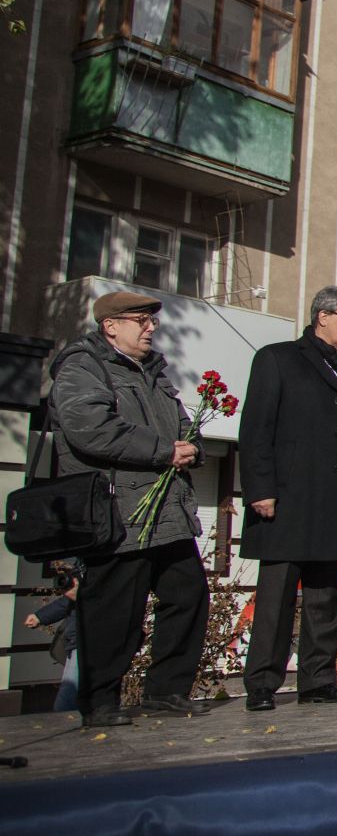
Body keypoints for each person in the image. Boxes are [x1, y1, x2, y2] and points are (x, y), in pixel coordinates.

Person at [48, 293, 212, 727]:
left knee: (188, 596)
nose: (151, 328)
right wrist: (163, 451)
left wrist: (191, 448)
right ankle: (100, 702)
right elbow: (90, 430)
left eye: (152, 321)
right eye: (140, 320)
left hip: (167, 515)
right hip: (118, 512)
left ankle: (166, 692)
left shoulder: (153, 372)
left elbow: (180, 425)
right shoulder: (83, 366)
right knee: (113, 612)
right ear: (110, 326)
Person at [238, 285, 337, 711]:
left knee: (325, 597)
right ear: (322, 316)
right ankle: (262, 683)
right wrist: (260, 490)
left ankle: (317, 680)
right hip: (287, 501)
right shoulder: (277, 358)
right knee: (276, 598)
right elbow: (256, 429)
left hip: (334, 503)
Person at [22, 567, 82, 712]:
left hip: (90, 642)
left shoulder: (101, 579)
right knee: (70, 692)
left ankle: (62, 724)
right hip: (77, 643)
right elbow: (64, 603)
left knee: (68, 696)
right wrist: (40, 617)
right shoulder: (82, 570)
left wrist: (83, 594)